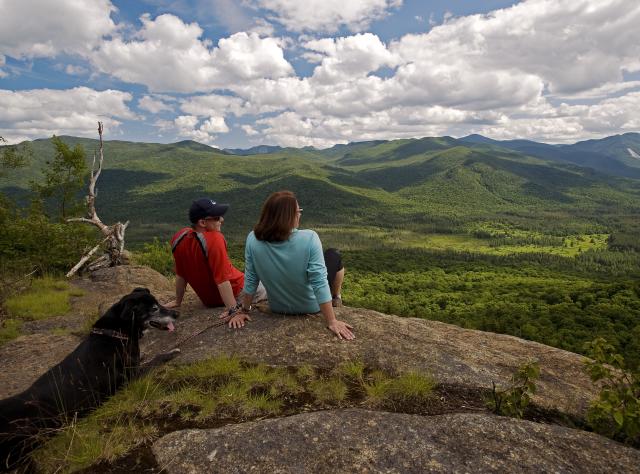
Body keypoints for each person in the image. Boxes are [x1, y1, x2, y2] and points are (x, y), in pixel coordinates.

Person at [231, 190, 354, 340]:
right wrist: (332, 321)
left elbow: (251, 278)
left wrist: (244, 310)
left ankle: (336, 297)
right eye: (298, 211)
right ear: (288, 216)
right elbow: (319, 282)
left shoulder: (252, 239)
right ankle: (336, 297)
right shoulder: (310, 238)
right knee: (333, 255)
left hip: (278, 307)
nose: (300, 214)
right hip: (311, 306)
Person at [166, 198, 266, 315]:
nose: (222, 220)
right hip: (238, 291)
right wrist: (233, 312)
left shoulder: (179, 238)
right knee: (269, 287)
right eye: (217, 218)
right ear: (202, 222)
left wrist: (178, 301)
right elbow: (222, 280)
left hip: (209, 301)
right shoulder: (214, 239)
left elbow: (181, 274)